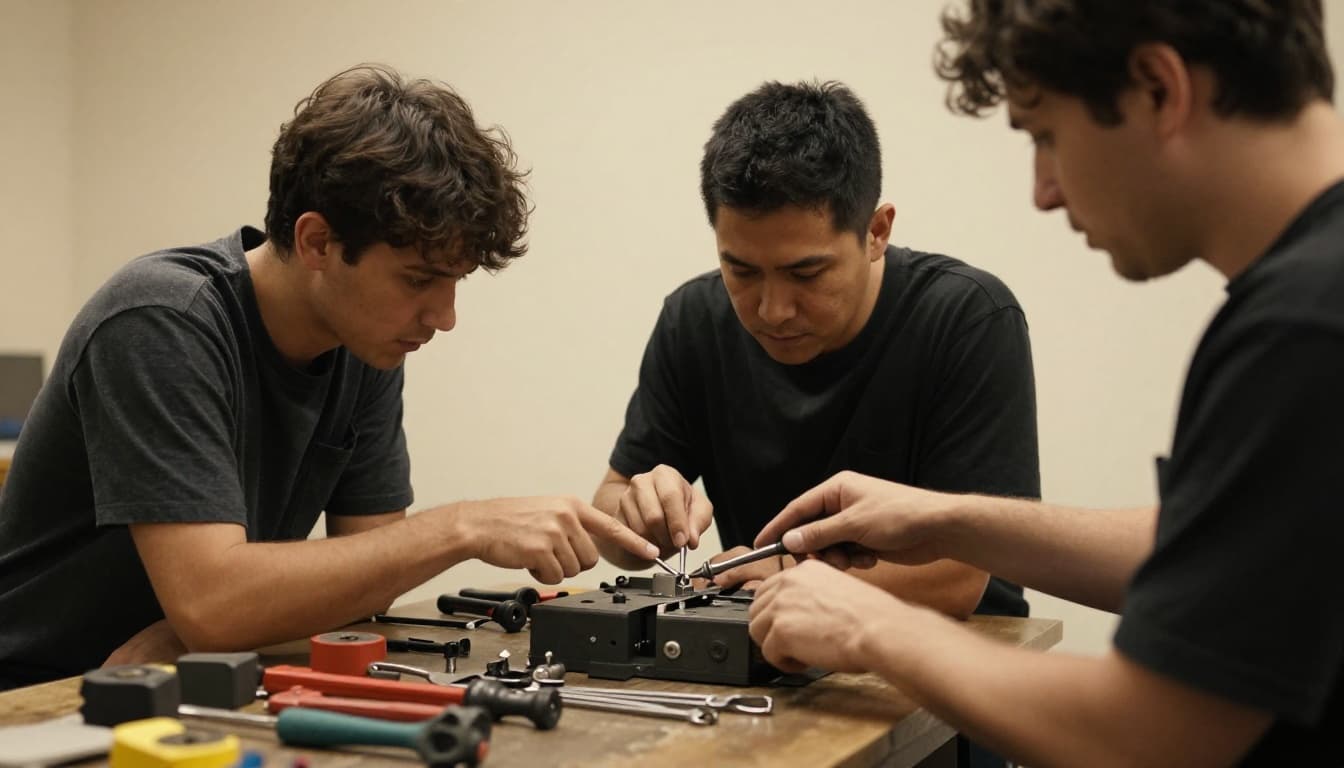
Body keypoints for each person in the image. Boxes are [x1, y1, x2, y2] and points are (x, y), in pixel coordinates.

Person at [747, 2, 1344, 765]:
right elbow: (1224, 554)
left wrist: (871, 626)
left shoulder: (1304, 331)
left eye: (1045, 137)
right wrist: (951, 519)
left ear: (1159, 90)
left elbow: (1152, 735)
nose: (1044, 191)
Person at [0, 64, 658, 690]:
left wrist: (194, 630)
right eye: (419, 279)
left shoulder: (364, 343)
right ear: (316, 242)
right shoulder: (162, 321)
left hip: (186, 684)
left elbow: (367, 572)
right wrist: (464, 527)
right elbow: (216, 602)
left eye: (454, 282)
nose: (445, 317)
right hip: (36, 700)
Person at [593, 80, 1039, 624]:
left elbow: (962, 576)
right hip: (775, 647)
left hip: (962, 659)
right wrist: (639, 517)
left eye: (806, 272)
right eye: (742, 270)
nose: (772, 309)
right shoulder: (694, 319)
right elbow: (609, 513)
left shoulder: (967, 317)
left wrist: (788, 571)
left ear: (875, 232)